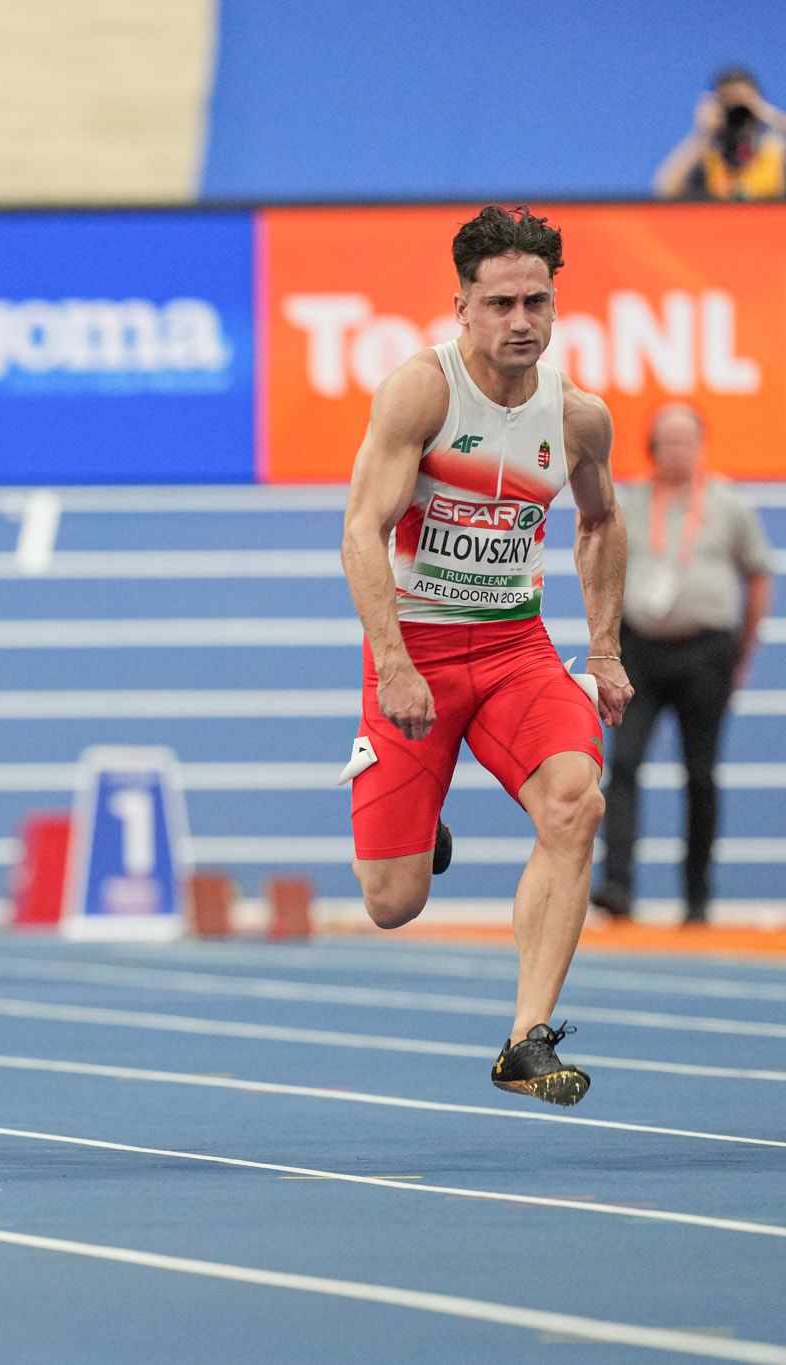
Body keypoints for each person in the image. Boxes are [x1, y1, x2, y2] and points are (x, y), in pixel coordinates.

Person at [339, 205, 632, 1107]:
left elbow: (601, 520)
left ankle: (525, 1038)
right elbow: (362, 529)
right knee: (393, 900)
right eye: (499, 302)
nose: (520, 321)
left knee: (577, 800)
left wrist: (606, 650)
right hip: (418, 650)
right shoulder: (420, 394)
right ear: (460, 304)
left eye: (535, 301)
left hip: (514, 649)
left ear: (554, 304)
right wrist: (393, 663)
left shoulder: (578, 417)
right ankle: (421, 830)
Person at [593, 404, 773, 925]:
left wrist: (745, 651)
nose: (677, 452)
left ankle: (697, 897)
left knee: (699, 774)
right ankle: (617, 887)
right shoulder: (630, 501)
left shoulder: (729, 504)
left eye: (687, 441)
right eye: (668, 442)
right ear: (652, 448)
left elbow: (757, 574)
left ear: (702, 445)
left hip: (707, 652)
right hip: (640, 653)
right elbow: (603, 569)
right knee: (622, 764)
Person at [653, 66, 786, 201]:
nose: (737, 110)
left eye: (743, 101)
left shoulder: (776, 149)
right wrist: (702, 133)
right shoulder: (709, 155)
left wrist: (771, 116)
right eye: (728, 101)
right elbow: (665, 189)